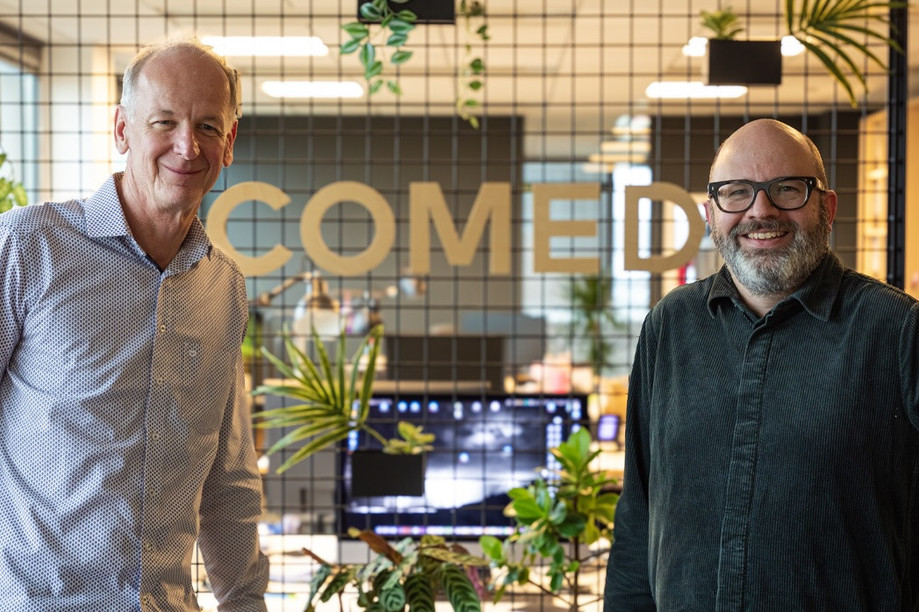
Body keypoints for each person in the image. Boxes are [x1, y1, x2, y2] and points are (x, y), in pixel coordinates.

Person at [604, 118, 919, 610]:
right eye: (737, 193)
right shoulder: (670, 326)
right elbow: (638, 514)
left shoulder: (897, 330)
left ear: (827, 207)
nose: (761, 210)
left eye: (787, 189)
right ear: (710, 213)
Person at [0, 36, 269, 610]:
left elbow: (229, 483)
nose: (186, 145)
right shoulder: (29, 247)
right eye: (164, 122)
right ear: (122, 129)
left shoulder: (224, 289)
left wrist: (245, 603)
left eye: (207, 127)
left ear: (229, 144)